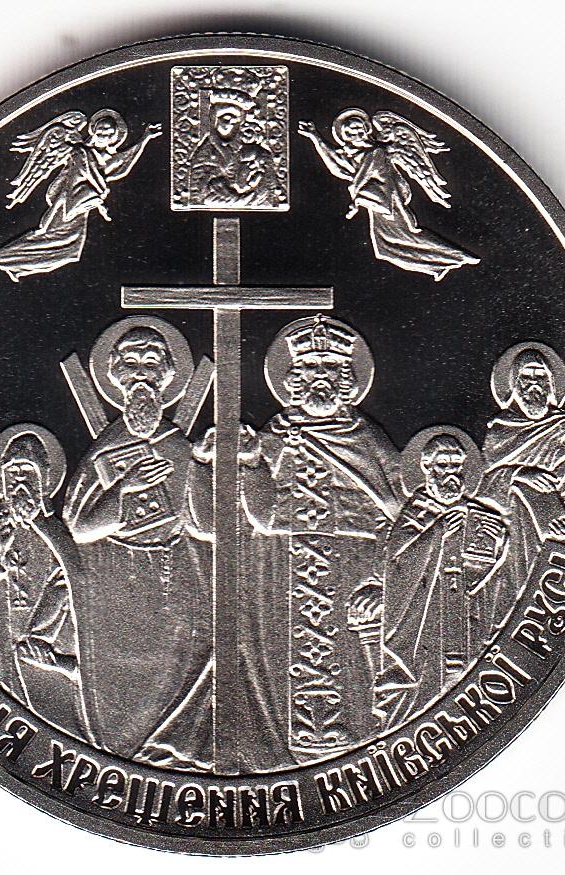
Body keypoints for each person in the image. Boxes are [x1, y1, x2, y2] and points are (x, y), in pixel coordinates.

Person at [239, 315, 402, 767]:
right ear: (292, 379)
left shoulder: (367, 441)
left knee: (356, 686)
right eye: (309, 369)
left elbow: (403, 519)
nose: (319, 379)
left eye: (330, 370)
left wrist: (382, 582)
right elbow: (259, 519)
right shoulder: (274, 437)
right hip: (280, 580)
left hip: (354, 576)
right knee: (273, 674)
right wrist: (250, 464)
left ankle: (359, 754)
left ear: (347, 380)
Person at [61, 323, 213, 769]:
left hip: (176, 578)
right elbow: (78, 528)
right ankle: (123, 753)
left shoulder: (179, 447)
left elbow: (205, 526)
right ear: (115, 375)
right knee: (122, 687)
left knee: (187, 667)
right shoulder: (105, 449)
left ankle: (172, 751)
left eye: (151, 361)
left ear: (168, 375)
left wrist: (208, 470)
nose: (141, 372)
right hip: (116, 582)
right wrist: (124, 489)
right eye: (130, 362)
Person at [0, 426, 92, 740]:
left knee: (62, 723)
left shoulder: (55, 531)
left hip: (49, 648)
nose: (18, 483)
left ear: (42, 481)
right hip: (6, 645)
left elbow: (69, 582)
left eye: (26, 473)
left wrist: (40, 636)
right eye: (11, 475)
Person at [382, 429, 508, 727]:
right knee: (428, 684)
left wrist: (497, 542)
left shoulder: (476, 513)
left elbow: (489, 572)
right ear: (427, 468)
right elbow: (398, 564)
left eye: (456, 465)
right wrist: (439, 532)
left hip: (466, 612)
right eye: (443, 465)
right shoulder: (416, 511)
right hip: (426, 620)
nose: (451, 472)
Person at [481, 343, 565, 628]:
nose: (533, 384)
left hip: (551, 526)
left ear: (551, 384)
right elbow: (483, 487)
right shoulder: (499, 432)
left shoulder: (561, 429)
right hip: (507, 535)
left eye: (540, 376)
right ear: (513, 385)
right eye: (526, 377)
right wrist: (517, 475)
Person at [0, 109, 162, 281]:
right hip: (67, 202)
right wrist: (95, 197)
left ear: (114, 136)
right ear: (94, 128)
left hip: (81, 206)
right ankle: (2, 258)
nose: (104, 133)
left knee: (70, 250)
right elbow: (77, 176)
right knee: (48, 238)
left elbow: (124, 161)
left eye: (109, 131)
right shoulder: (79, 150)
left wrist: (145, 138)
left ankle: (18, 267)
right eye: (101, 128)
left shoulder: (106, 158)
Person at [299, 108, 479, 281]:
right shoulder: (352, 154)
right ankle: (437, 266)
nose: (356, 133)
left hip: (389, 201)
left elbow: (369, 177)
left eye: (359, 128)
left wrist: (358, 197)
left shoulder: (378, 152)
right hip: (376, 203)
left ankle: (459, 256)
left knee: (409, 235)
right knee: (385, 248)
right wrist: (315, 136)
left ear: (366, 128)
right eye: (351, 132)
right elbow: (335, 164)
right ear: (345, 136)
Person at [188, 89, 272, 207]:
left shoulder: (251, 149)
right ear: (214, 121)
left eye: (236, 121)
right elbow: (200, 191)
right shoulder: (206, 153)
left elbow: (268, 186)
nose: (231, 124)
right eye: (226, 119)